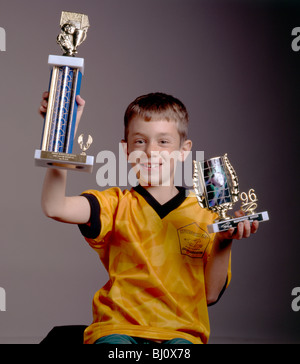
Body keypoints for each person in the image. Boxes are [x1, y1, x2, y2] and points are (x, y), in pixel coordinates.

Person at [39, 91, 259, 344]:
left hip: (181, 334)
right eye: (140, 141)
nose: (151, 151)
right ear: (126, 149)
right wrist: (60, 135)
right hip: (116, 330)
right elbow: (55, 207)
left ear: (183, 150)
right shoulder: (115, 205)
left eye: (163, 142)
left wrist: (224, 239)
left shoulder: (206, 214)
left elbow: (209, 295)